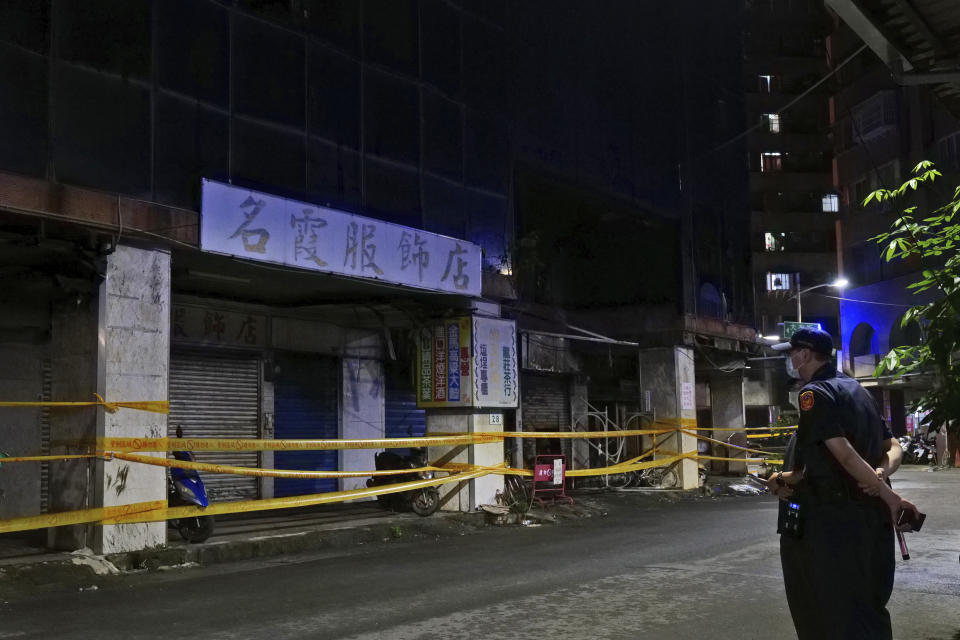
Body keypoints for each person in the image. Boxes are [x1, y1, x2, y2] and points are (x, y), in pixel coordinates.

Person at [764, 328, 918, 639]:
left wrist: (778, 479)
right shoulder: (859, 392)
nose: (790, 359)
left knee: (823, 611)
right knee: (867, 605)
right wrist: (879, 474)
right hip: (868, 520)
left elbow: (842, 455)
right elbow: (894, 446)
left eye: (791, 353)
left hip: (828, 523)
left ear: (805, 354)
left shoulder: (814, 394)